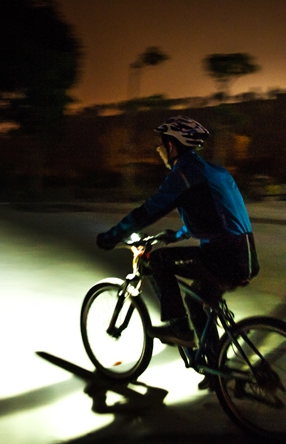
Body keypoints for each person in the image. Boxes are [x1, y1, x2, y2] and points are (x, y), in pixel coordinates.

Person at [96, 116, 259, 348]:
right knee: (197, 302)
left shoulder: (183, 175)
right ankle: (216, 374)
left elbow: (147, 212)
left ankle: (179, 327)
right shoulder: (214, 171)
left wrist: (112, 236)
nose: (159, 150)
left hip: (223, 257)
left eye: (161, 144)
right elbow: (216, 215)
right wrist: (178, 234)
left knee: (158, 260)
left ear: (172, 146)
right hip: (244, 253)